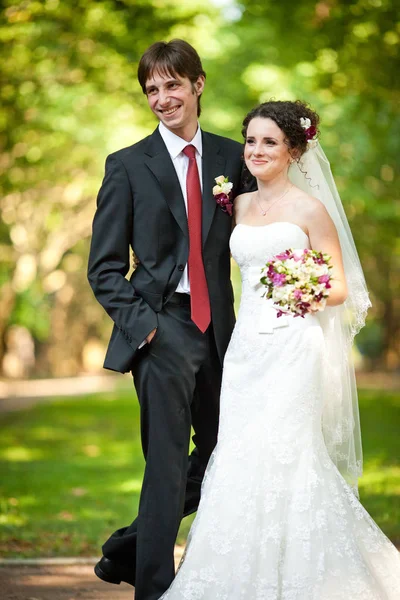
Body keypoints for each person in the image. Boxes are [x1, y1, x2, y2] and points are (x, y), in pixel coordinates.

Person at [158, 100, 400, 599]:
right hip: (246, 350)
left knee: (288, 453)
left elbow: (340, 288)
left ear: (293, 149)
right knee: (239, 452)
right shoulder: (237, 205)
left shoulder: (310, 209)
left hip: (294, 347)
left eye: (270, 142)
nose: (257, 150)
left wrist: (296, 285)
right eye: (251, 140)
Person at [87, 39, 253, 600]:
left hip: (226, 331)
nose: (162, 98)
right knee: (164, 463)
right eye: (151, 89)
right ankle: (154, 587)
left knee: (220, 453)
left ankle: (127, 549)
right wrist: (147, 328)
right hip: (162, 325)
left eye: (172, 84)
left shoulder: (235, 159)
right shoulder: (127, 166)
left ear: (198, 84)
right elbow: (104, 268)